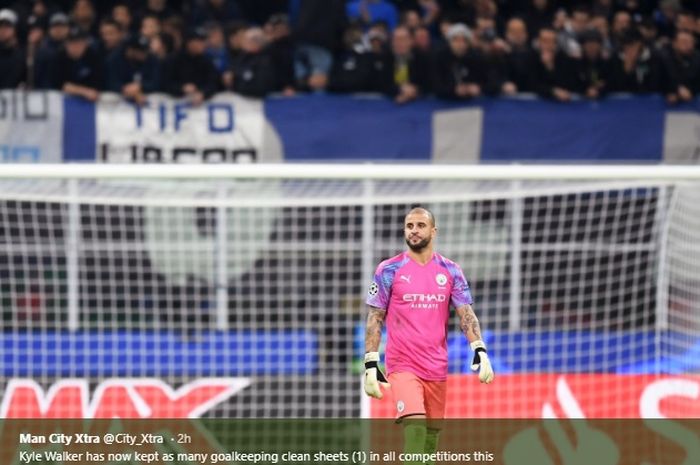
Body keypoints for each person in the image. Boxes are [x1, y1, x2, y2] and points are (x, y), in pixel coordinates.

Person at [363, 207, 494, 462]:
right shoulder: (389, 270)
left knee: (430, 445)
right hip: (403, 366)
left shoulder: (450, 270)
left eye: (420, 225)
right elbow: (375, 316)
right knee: (416, 433)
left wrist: (479, 348)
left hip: (436, 366)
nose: (414, 230)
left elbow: (466, 313)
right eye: (409, 226)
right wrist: (370, 362)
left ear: (433, 231)